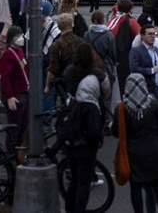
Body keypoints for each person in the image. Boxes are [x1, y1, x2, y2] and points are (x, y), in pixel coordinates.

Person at [115, 73, 158, 213]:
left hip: (133, 153)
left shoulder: (122, 108)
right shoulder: (153, 105)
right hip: (154, 150)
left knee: (135, 187)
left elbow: (116, 132)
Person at [63, 74, 104, 213]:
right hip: (86, 150)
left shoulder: (76, 102)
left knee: (74, 182)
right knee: (83, 184)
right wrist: (97, 141)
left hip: (72, 147)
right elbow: (93, 131)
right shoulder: (92, 107)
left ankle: (70, 209)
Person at [0, 25, 29, 155]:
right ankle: (10, 152)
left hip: (23, 92)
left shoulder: (20, 51)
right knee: (15, 126)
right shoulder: (9, 54)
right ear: (11, 39)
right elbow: (5, 77)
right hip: (16, 95)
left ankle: (19, 150)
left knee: (24, 125)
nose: (20, 38)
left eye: (21, 35)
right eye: (17, 36)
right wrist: (9, 96)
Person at [84, 10, 117, 105]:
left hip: (91, 67)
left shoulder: (87, 34)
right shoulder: (109, 35)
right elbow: (113, 53)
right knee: (107, 94)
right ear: (103, 20)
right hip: (106, 67)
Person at [108, 0, 141, 97]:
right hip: (126, 57)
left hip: (114, 57)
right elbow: (139, 37)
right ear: (131, 9)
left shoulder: (113, 20)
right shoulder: (130, 21)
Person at [130, 24, 158, 105]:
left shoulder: (157, 50)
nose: (153, 36)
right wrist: (150, 70)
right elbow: (133, 68)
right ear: (142, 36)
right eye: (149, 34)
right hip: (146, 90)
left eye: (154, 34)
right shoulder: (136, 51)